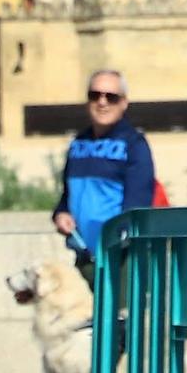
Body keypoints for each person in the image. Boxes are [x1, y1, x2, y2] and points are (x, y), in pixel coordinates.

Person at [50, 69, 156, 278]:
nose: (102, 102)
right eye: (95, 95)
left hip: (122, 257)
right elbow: (67, 196)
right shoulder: (79, 144)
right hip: (84, 255)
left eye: (111, 97)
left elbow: (138, 203)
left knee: (120, 311)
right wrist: (61, 213)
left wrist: (119, 239)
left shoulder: (134, 144)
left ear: (124, 102)